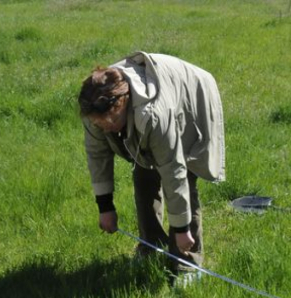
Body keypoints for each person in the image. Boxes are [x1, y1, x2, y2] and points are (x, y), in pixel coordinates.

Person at [78, 51, 225, 281]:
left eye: (110, 123)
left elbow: (173, 171)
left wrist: (181, 229)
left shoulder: (153, 114)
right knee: (144, 174)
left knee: (185, 177)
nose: (105, 129)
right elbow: (97, 156)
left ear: (123, 105)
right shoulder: (95, 109)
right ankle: (151, 245)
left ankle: (187, 262)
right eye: (100, 124)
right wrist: (105, 206)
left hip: (189, 98)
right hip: (150, 108)